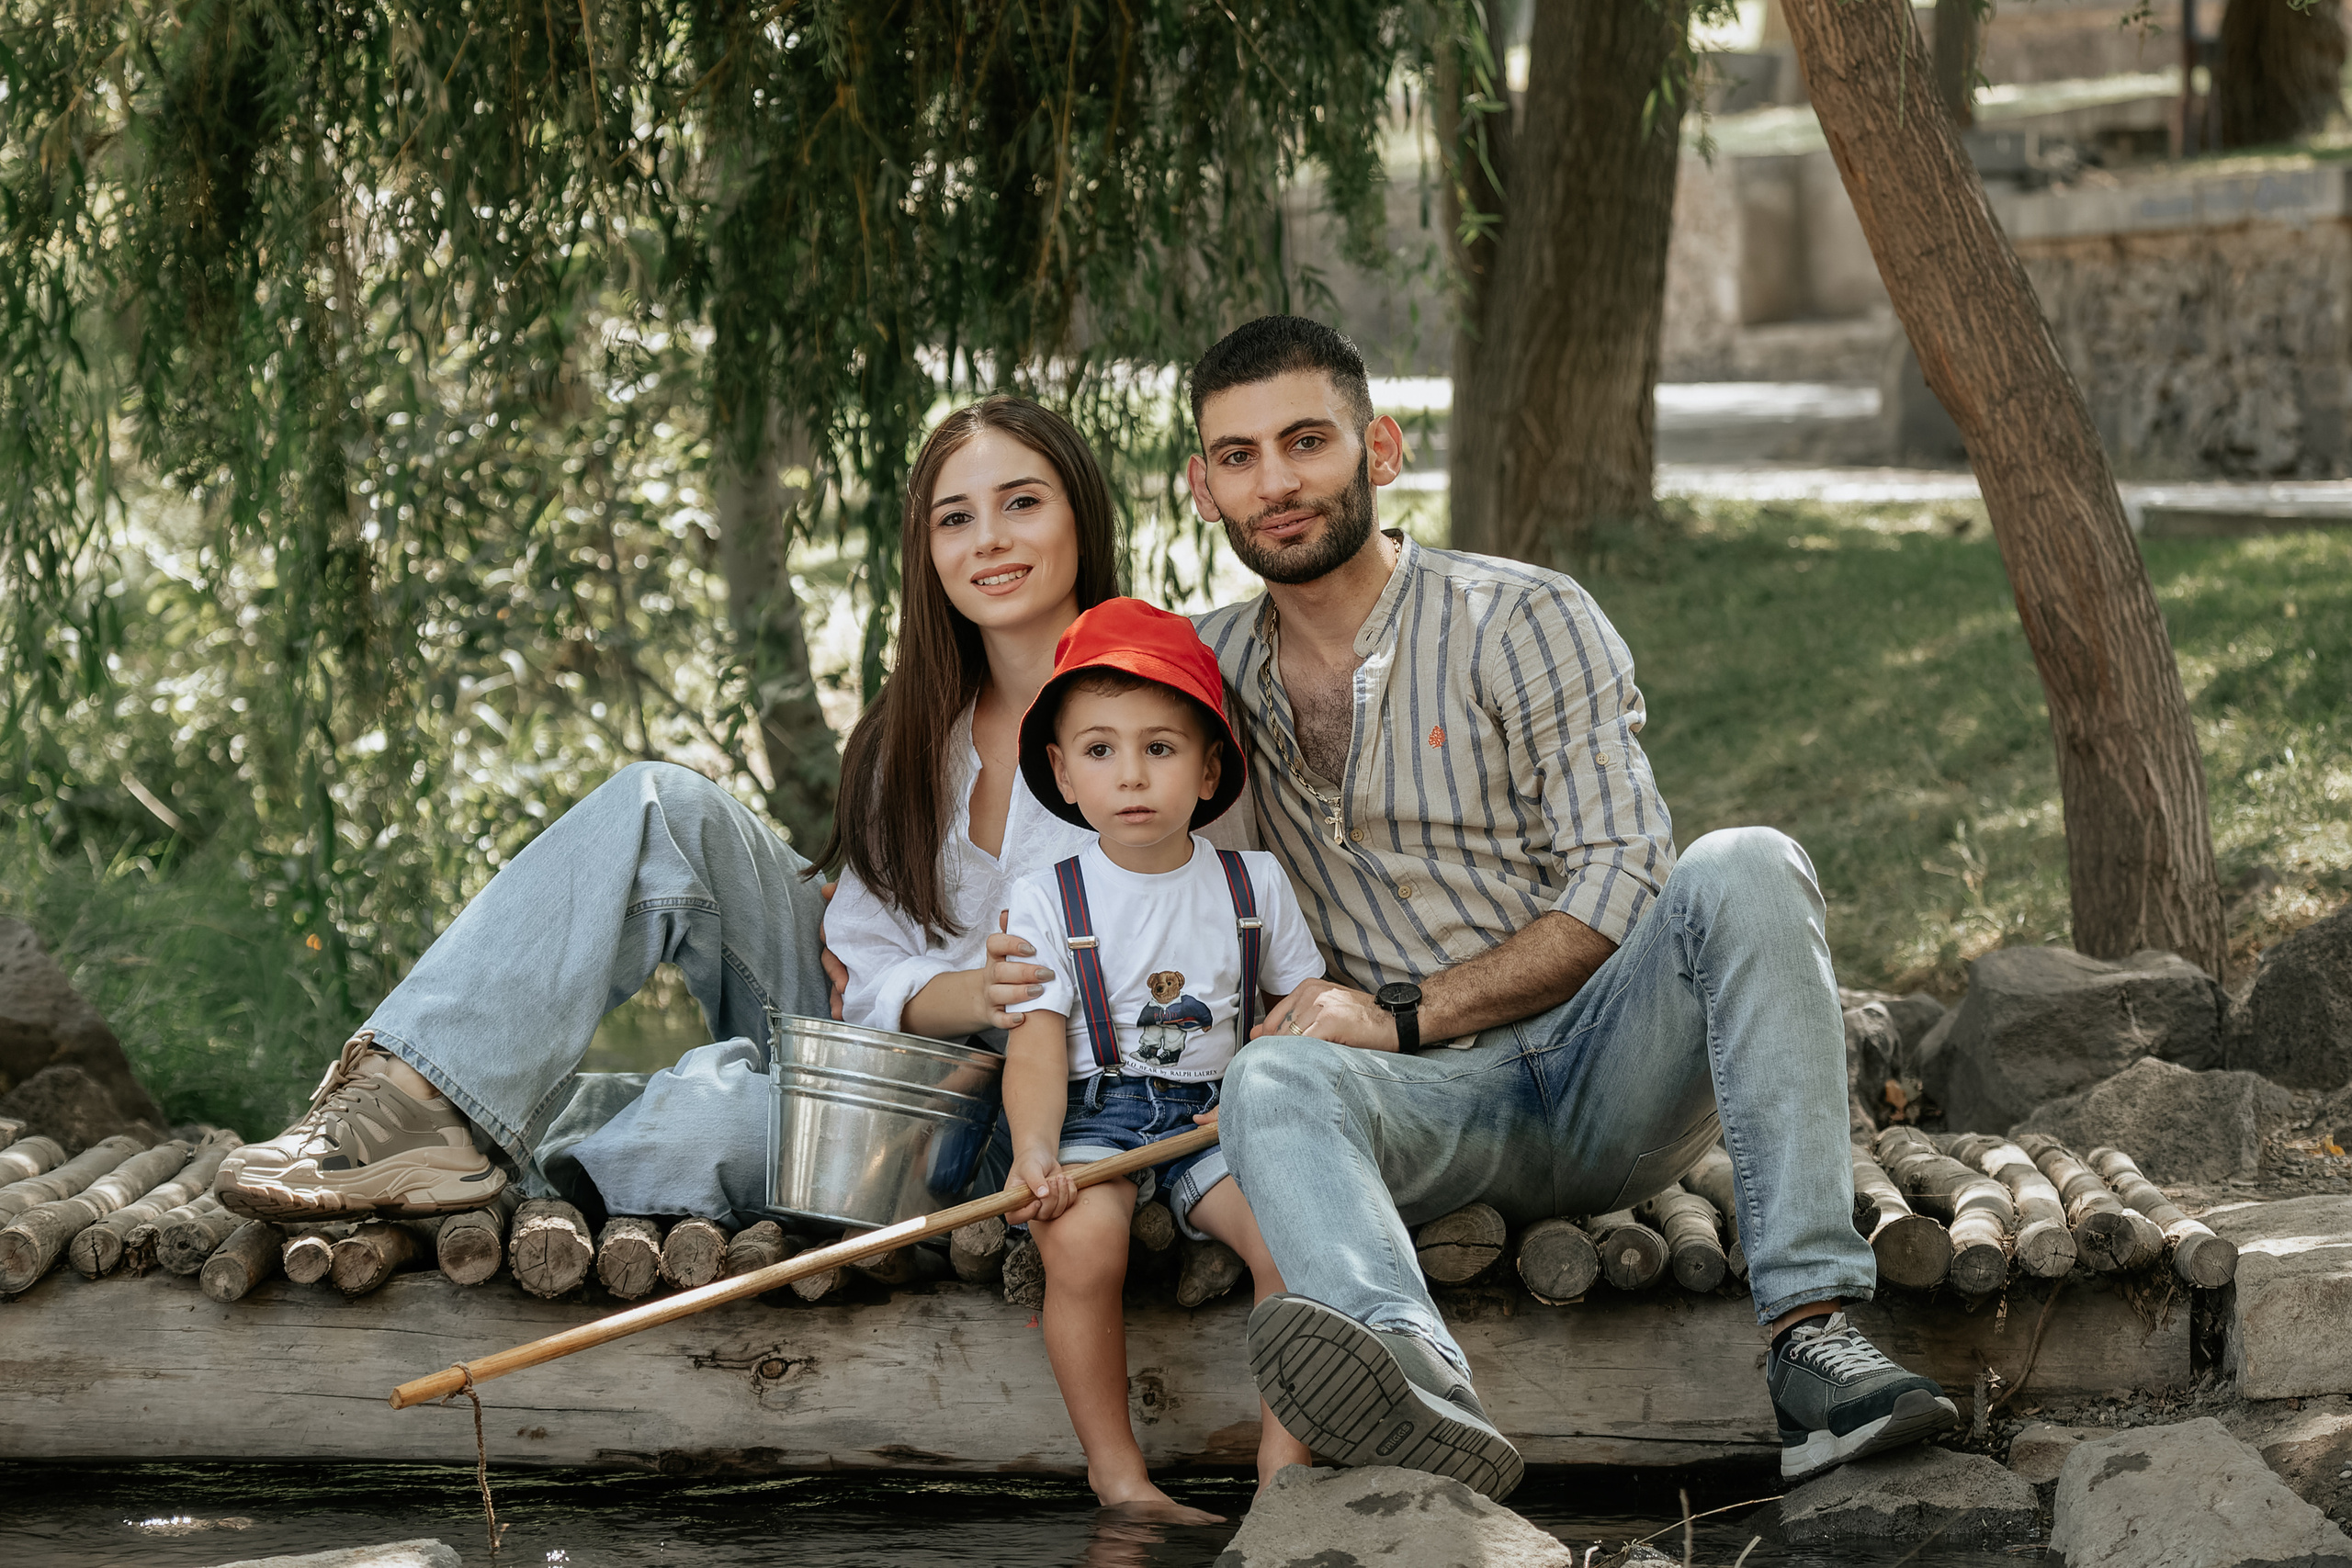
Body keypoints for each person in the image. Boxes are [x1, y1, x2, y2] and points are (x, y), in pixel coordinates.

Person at [1180, 316, 1957, 1501]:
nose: (1275, 482)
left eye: (1305, 441)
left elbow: (1618, 879)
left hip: (1608, 1069)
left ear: (1378, 449)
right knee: (1270, 1078)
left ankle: (1811, 1337)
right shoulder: (1200, 671)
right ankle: (1413, 1382)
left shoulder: (1521, 616)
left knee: (1743, 861)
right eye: (1237, 457)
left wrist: (1400, 1015)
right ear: (1201, 488)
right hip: (1426, 1116)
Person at [209, 396, 1247, 1238]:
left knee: (711, 1128)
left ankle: (524, 1134)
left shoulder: (1157, 716)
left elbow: (1195, 940)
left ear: (1080, 517)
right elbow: (864, 955)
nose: (990, 542)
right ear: (924, 549)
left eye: (1022, 504)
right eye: (954, 517)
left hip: (1030, 1111)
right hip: (866, 1045)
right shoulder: (911, 733)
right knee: (664, 806)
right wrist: (950, 986)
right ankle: (410, 1100)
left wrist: (974, 998)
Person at [996, 595, 1324, 1511]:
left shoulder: (1252, 883)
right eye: (1099, 750)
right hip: (1098, 1112)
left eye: (1160, 747)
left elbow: (1300, 1008)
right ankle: (1119, 1476)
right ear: (1062, 773)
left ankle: (1284, 1469)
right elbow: (1036, 1043)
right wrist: (1034, 1153)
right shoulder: (1048, 898)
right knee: (1085, 1243)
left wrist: (1261, 1082)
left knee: (1288, 1238)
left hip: (1216, 1114)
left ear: (1209, 765)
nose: (1130, 775)